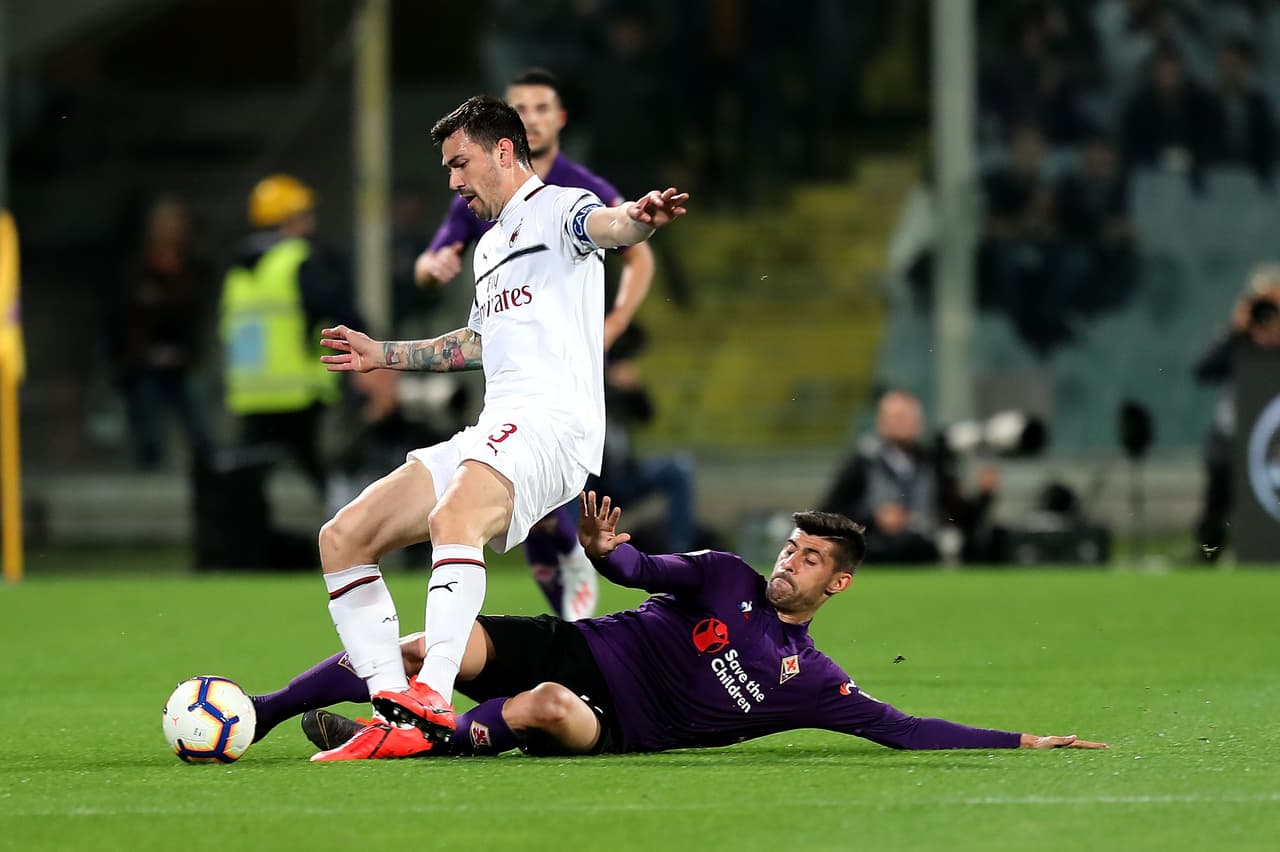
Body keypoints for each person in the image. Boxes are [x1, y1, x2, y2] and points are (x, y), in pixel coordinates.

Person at [313, 94, 688, 758]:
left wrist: (640, 219)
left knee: (452, 520)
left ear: (504, 151)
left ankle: (428, 693)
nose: (453, 183)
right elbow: (479, 343)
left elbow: (609, 226)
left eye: (460, 164)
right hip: (497, 427)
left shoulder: (559, 207)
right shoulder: (489, 249)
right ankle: (393, 714)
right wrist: (386, 353)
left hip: (553, 427)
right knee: (343, 537)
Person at [244, 491, 1105, 760]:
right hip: (576, 644)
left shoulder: (809, 680)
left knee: (545, 704)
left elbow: (906, 730)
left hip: (611, 723)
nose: (789, 560)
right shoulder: (725, 575)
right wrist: (606, 549)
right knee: (423, 647)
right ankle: (266, 710)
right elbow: (638, 572)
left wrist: (1021, 741)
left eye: (810, 559)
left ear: (837, 585)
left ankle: (409, 741)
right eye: (792, 546)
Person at [415, 67, 658, 621]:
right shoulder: (474, 184)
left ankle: (582, 559)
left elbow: (630, 237)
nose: (531, 115)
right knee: (516, 494)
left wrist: (615, 325)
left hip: (570, 352)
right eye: (519, 106)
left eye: (541, 107)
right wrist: (433, 266)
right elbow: (429, 267)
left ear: (559, 118)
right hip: (510, 357)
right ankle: (568, 580)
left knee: (556, 474)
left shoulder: (577, 187)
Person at [220, 174, 363, 496]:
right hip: (297, 391)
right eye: (305, 214)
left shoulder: (238, 271)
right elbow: (338, 309)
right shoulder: (297, 260)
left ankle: (240, 538)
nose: (311, 222)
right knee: (320, 468)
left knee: (247, 480)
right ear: (289, 219)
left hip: (251, 394)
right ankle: (347, 527)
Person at [821, 390, 1000, 565]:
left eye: (909, 417)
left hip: (925, 553)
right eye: (897, 417)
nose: (904, 423)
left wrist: (985, 495)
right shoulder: (862, 463)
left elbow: (960, 516)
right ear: (881, 422)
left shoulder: (933, 462)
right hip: (876, 553)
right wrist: (874, 518)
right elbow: (830, 512)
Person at [111, 197, 213, 471]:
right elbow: (125, 317)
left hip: (182, 361)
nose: (170, 231)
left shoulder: (192, 267)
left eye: (175, 224)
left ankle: (209, 477)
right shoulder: (137, 269)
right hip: (143, 363)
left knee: (199, 429)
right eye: (163, 225)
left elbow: (195, 313)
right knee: (148, 429)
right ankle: (147, 477)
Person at [1192, 267, 1280, 561]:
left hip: (1273, 442)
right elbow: (1202, 370)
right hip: (1232, 435)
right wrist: (1234, 330)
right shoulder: (1238, 341)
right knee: (1217, 496)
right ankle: (1208, 553)